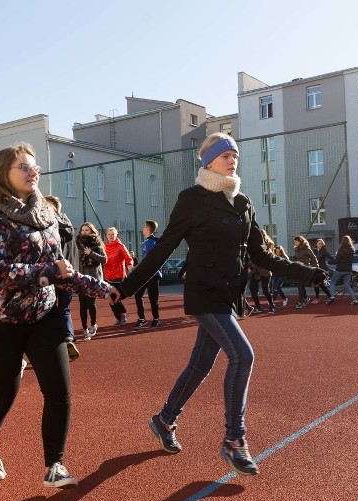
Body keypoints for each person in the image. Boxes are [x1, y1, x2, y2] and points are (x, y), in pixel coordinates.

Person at [111, 133, 327, 476]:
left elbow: (261, 254)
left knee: (200, 365)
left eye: (235, 155)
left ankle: (165, 419)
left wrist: (306, 274)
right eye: (225, 154)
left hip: (229, 295)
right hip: (203, 293)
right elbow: (165, 247)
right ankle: (234, 440)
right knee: (243, 356)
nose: (232, 159)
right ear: (208, 160)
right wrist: (125, 288)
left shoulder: (243, 202)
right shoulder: (191, 199)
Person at [0, 143, 110, 488]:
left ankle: (55, 465)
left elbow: (64, 270)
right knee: (4, 395)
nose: (35, 173)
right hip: (0, 320)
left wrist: (105, 289)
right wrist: (48, 270)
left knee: (59, 391)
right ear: (4, 174)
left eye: (35, 168)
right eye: (24, 168)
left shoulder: (48, 214)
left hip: (44, 316)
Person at [44, 194, 82, 361]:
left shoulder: (49, 227)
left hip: (53, 272)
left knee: (49, 309)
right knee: (64, 309)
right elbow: (75, 254)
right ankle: (68, 338)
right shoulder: (69, 226)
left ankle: (53, 343)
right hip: (69, 272)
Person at [75, 222, 107, 340]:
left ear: (92, 231)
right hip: (81, 278)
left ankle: (93, 325)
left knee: (90, 303)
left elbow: (104, 260)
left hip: (93, 278)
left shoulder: (97, 244)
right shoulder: (77, 244)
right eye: (82, 230)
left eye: (87, 230)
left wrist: (91, 253)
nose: (84, 232)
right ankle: (84, 328)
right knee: (82, 304)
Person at [133, 219, 162, 328]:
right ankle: (142, 318)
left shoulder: (151, 242)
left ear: (148, 229)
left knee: (153, 298)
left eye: (144, 227)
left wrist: (135, 267)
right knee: (138, 294)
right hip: (145, 275)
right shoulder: (147, 242)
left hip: (153, 275)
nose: (143, 228)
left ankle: (156, 319)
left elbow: (148, 260)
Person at [103, 227, 133, 325]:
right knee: (110, 299)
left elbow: (128, 258)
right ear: (106, 235)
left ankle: (123, 314)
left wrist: (130, 265)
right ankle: (118, 318)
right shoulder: (104, 247)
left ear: (116, 235)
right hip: (108, 277)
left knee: (116, 297)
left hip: (119, 276)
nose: (111, 236)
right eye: (109, 234)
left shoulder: (120, 246)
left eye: (113, 234)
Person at [325, 235, 358, 305]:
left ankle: (332, 297)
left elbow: (337, 261)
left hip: (340, 269)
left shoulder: (341, 249)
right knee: (347, 285)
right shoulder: (352, 249)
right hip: (348, 270)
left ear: (342, 241)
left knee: (333, 282)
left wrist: (329, 262)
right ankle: (355, 300)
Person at [292, 235, 318, 309]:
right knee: (300, 285)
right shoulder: (296, 249)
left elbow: (314, 258)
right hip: (299, 268)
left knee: (300, 285)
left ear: (300, 242)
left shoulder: (307, 249)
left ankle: (301, 301)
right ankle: (305, 298)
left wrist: (315, 267)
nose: (295, 243)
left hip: (305, 269)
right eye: (294, 242)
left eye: (296, 242)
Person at [311, 239, 333, 304]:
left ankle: (328, 296)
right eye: (319, 243)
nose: (320, 244)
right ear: (316, 244)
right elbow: (311, 259)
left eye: (321, 243)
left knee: (320, 284)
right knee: (316, 284)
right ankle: (321, 297)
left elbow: (331, 258)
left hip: (322, 270)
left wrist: (327, 262)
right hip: (315, 270)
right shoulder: (313, 251)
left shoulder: (324, 251)